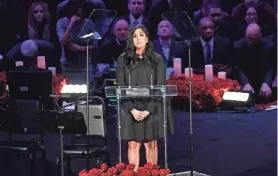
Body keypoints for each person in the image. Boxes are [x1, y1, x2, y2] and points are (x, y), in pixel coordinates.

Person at [116, 24, 173, 170]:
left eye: (141, 35)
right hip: (130, 108)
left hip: (152, 108)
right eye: (134, 36)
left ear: (147, 38)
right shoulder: (123, 59)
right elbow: (121, 88)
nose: (138, 39)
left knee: (150, 143)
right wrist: (132, 110)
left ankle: (151, 173)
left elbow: (160, 86)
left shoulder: (157, 60)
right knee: (133, 143)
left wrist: (148, 110)